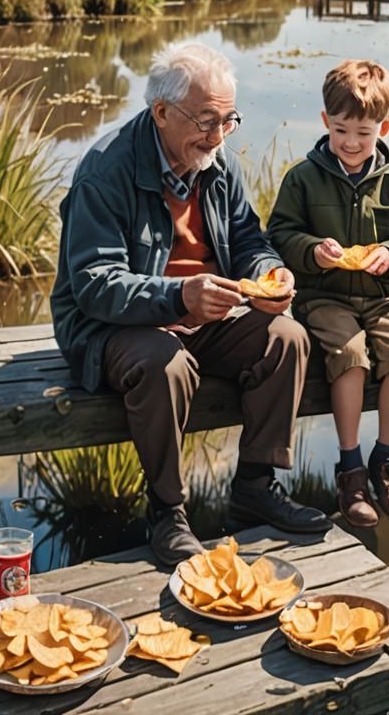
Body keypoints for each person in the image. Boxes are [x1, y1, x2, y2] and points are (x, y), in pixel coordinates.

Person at [50, 42, 329, 565]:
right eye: (206, 119)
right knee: (164, 364)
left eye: (229, 120)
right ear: (161, 113)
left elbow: (248, 238)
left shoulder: (216, 162)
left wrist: (267, 272)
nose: (219, 134)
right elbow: (94, 284)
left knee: (287, 338)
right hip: (113, 326)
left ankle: (254, 485)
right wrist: (178, 295)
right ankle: (167, 513)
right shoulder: (104, 171)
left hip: (203, 312)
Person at [267, 59, 389, 528]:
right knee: (350, 353)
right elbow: (280, 233)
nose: (352, 142)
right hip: (325, 297)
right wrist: (313, 251)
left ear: (385, 126)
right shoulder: (303, 178)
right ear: (325, 123)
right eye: (341, 130)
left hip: (382, 296)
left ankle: (385, 461)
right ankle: (351, 467)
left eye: (364, 132)